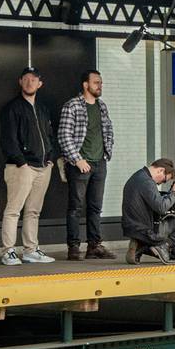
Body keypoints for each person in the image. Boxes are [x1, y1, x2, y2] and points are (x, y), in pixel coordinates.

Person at [0, 67, 57, 266]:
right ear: (20, 82)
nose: (30, 82)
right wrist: (21, 162)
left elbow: (49, 136)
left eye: (34, 79)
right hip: (21, 167)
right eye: (26, 79)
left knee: (33, 211)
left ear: (40, 84)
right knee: (13, 210)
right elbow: (8, 140)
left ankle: (30, 251)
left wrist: (50, 158)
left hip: (43, 167)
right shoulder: (12, 108)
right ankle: (8, 252)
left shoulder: (42, 109)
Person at [58, 69, 116, 260]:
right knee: (75, 207)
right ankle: (73, 248)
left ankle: (94, 246)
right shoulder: (72, 106)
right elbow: (64, 135)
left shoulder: (102, 106)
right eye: (96, 82)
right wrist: (77, 159)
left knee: (95, 207)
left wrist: (107, 154)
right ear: (85, 84)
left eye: (101, 83)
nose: (100, 86)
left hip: (100, 163)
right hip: (80, 164)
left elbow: (108, 130)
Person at [122, 158, 175, 264]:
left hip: (135, 228)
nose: (160, 183)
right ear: (160, 170)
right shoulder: (147, 182)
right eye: (164, 180)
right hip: (149, 230)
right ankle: (162, 244)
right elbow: (161, 208)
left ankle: (140, 246)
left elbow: (156, 203)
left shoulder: (138, 177)